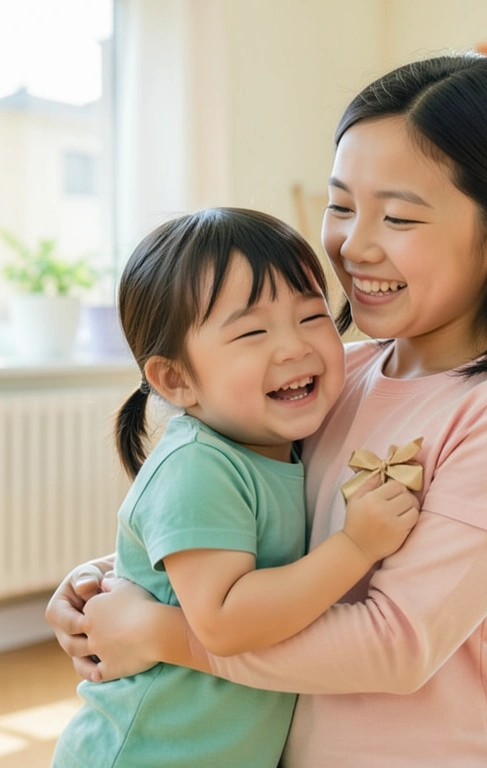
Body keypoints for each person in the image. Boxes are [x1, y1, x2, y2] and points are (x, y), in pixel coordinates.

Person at [47, 53, 487, 767]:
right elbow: (265, 528)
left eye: (400, 216)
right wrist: (115, 581)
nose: (354, 244)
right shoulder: (333, 374)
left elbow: (395, 646)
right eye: (342, 205)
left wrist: (164, 634)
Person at [52, 207, 421, 767]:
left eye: (311, 316)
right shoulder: (199, 465)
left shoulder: (275, 446)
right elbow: (223, 620)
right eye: (252, 332)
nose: (294, 347)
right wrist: (355, 547)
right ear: (176, 379)